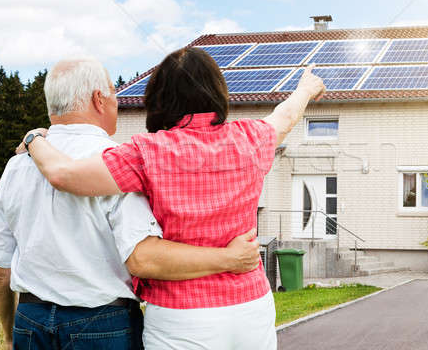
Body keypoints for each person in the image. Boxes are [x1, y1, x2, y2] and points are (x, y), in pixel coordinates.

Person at [21, 48, 326, 349]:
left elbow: (63, 175)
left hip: (181, 314)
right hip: (250, 306)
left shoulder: (147, 152)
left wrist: (34, 139)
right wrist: (306, 89)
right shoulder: (251, 138)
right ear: (217, 91)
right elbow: (285, 115)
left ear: (159, 97)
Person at [0, 58, 261, 350]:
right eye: (114, 93)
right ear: (98, 99)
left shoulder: (17, 167)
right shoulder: (116, 164)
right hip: (102, 322)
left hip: (30, 320)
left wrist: (8, 334)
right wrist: (230, 259)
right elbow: (143, 259)